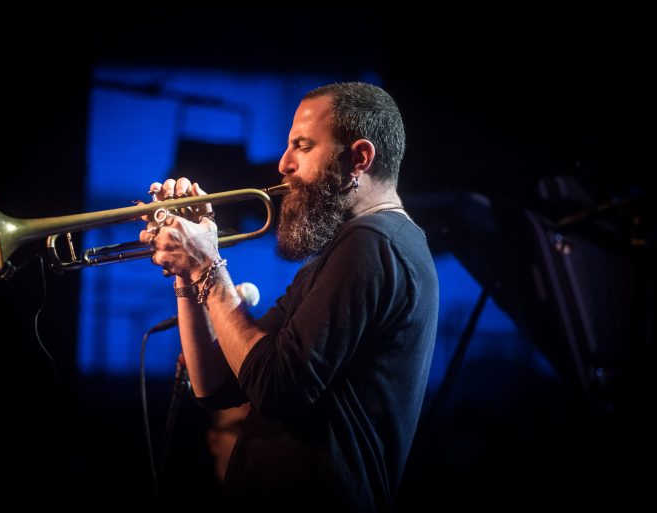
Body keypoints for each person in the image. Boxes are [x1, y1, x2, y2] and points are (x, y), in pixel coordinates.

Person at [141, 82, 438, 511]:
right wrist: (185, 274)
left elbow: (275, 387)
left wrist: (207, 266)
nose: (283, 164)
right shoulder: (344, 252)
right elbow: (215, 385)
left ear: (359, 157)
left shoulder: (376, 243)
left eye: (302, 146)